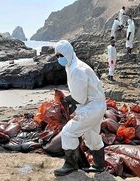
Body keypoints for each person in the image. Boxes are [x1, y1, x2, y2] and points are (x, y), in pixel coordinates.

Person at [53, 40, 107, 176]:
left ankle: (71, 165)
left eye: (61, 55)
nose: (59, 58)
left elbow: (80, 98)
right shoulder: (74, 65)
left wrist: (67, 100)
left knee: (68, 132)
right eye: (57, 55)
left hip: (91, 107)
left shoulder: (76, 69)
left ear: (68, 53)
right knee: (91, 135)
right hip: (97, 105)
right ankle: (100, 166)